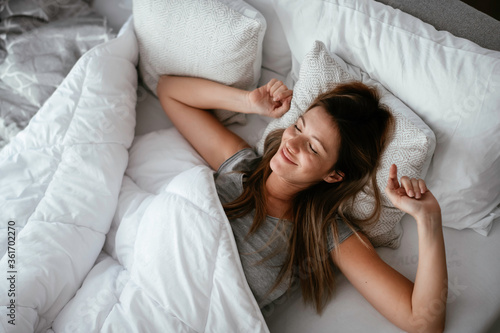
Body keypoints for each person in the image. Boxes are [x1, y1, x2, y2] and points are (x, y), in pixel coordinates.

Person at [157, 75, 447, 333]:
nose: (291, 143)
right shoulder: (241, 166)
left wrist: (429, 220)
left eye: (312, 147)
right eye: (298, 126)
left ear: (334, 175)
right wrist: (247, 101)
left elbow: (423, 322)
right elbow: (168, 89)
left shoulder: (325, 231)